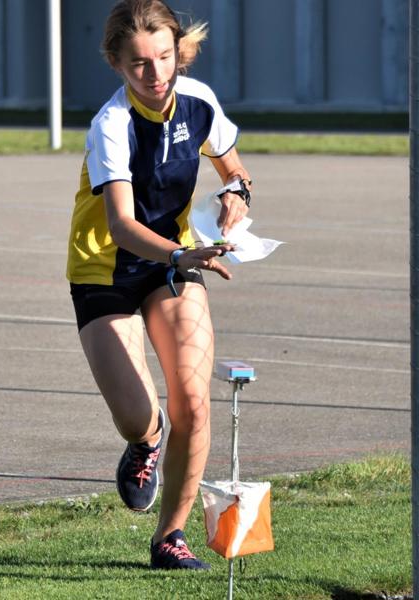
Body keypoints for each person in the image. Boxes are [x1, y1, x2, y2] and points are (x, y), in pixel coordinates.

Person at [65, 0, 253, 570]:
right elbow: (122, 224)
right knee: (140, 415)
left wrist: (236, 195)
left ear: (180, 51)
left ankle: (170, 537)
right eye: (140, 64)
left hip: (171, 266)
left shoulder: (199, 103)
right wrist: (181, 250)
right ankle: (145, 442)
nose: (156, 73)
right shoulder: (112, 124)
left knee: (194, 403)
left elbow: (235, 168)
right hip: (104, 267)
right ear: (118, 65)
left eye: (165, 57)